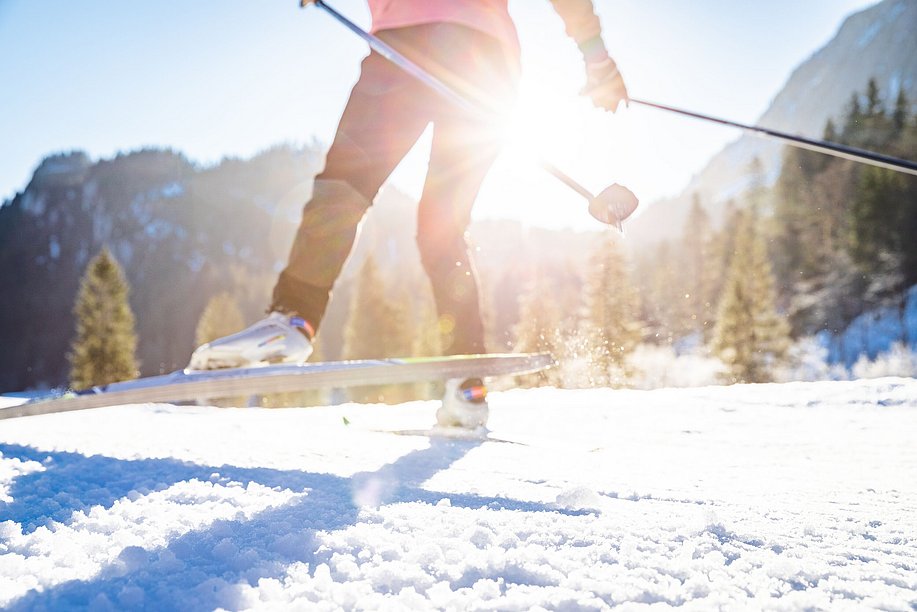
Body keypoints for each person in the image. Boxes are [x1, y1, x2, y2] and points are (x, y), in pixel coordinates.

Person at [189, 0, 629, 428]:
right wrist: (597, 60)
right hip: (485, 62)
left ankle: (293, 320)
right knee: (443, 224)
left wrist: (598, 60)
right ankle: (467, 381)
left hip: (405, 46)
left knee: (344, 189)